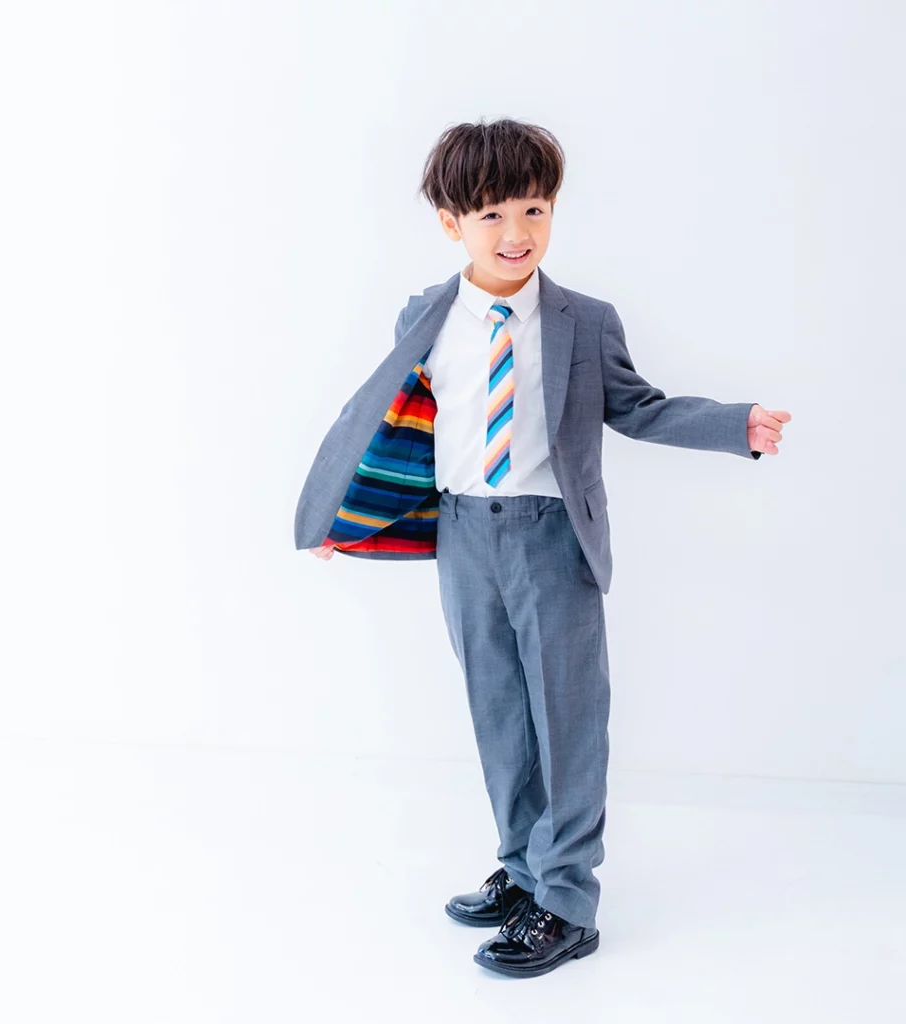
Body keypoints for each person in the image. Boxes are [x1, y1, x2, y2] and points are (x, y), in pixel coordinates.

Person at [293, 117, 790, 978]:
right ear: (451, 222)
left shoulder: (582, 322)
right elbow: (389, 419)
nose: (516, 232)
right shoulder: (426, 314)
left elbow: (639, 408)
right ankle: (523, 870)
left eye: (534, 209)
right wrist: (340, 514)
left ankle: (566, 902)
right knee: (498, 713)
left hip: (550, 536)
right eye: (491, 214)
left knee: (566, 718)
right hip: (462, 536)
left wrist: (731, 424)